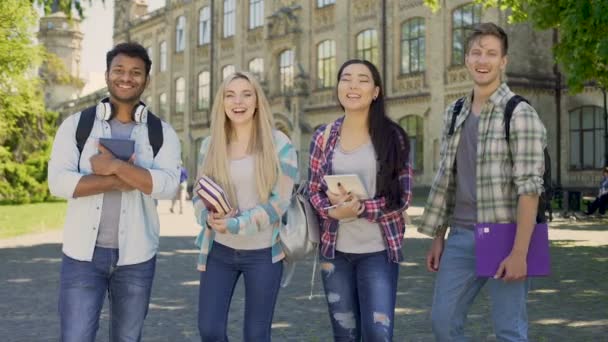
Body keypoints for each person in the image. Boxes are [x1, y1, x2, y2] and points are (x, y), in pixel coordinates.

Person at [418, 23, 547, 341]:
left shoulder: (520, 113)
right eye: (476, 52)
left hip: (505, 234)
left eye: (491, 53)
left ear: (503, 61)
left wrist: (520, 252)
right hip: (461, 235)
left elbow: (530, 189)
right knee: (443, 323)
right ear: (466, 59)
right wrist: (438, 235)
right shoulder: (454, 112)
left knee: (508, 330)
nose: (483, 59)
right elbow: (447, 177)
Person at [48, 42, 181, 342]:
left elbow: (168, 186)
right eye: (119, 70)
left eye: (136, 72)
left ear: (147, 80)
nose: (126, 77)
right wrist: (124, 178)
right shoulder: (77, 125)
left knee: (127, 339)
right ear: (107, 74)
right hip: (82, 256)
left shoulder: (162, 133)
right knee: (75, 337)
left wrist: (111, 166)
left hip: (136, 257)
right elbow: (59, 182)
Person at [308, 59, 413, 341]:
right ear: (339, 87)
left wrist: (361, 208)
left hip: (378, 252)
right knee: (344, 335)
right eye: (346, 78)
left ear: (376, 91)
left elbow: (402, 198)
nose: (353, 85)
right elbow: (313, 190)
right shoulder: (323, 136)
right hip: (335, 253)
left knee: (378, 335)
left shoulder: (394, 138)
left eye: (363, 79)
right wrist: (333, 211)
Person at [192, 72, 298, 341]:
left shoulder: (280, 145)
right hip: (219, 251)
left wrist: (237, 224)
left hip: (263, 254)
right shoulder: (210, 145)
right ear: (222, 102)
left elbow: (279, 203)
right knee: (210, 330)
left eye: (246, 94)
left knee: (256, 335)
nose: (238, 101)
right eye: (230, 95)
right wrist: (207, 217)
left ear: (257, 101)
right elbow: (197, 194)